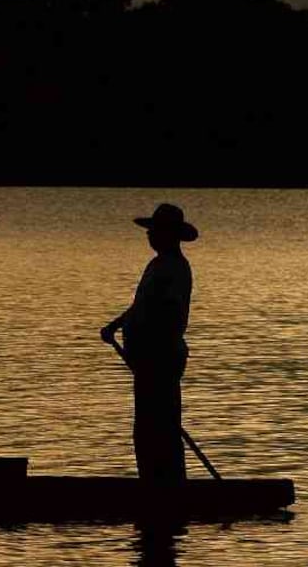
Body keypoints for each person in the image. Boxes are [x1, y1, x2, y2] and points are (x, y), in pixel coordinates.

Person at [100, 203, 198, 483]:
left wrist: (147, 339)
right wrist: (116, 326)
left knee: (159, 427)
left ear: (168, 235)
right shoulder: (158, 265)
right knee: (149, 427)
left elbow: (163, 309)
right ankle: (155, 483)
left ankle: (167, 486)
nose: (150, 236)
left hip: (161, 359)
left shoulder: (174, 268)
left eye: (155, 231)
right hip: (148, 359)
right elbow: (141, 306)